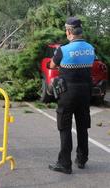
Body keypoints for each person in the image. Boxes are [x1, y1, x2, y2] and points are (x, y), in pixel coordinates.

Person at [48, 17, 95, 174]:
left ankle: (64, 163)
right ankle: (82, 159)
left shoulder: (64, 49)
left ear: (69, 31)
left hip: (68, 93)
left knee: (65, 126)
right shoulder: (90, 48)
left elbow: (52, 65)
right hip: (85, 92)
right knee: (83, 126)